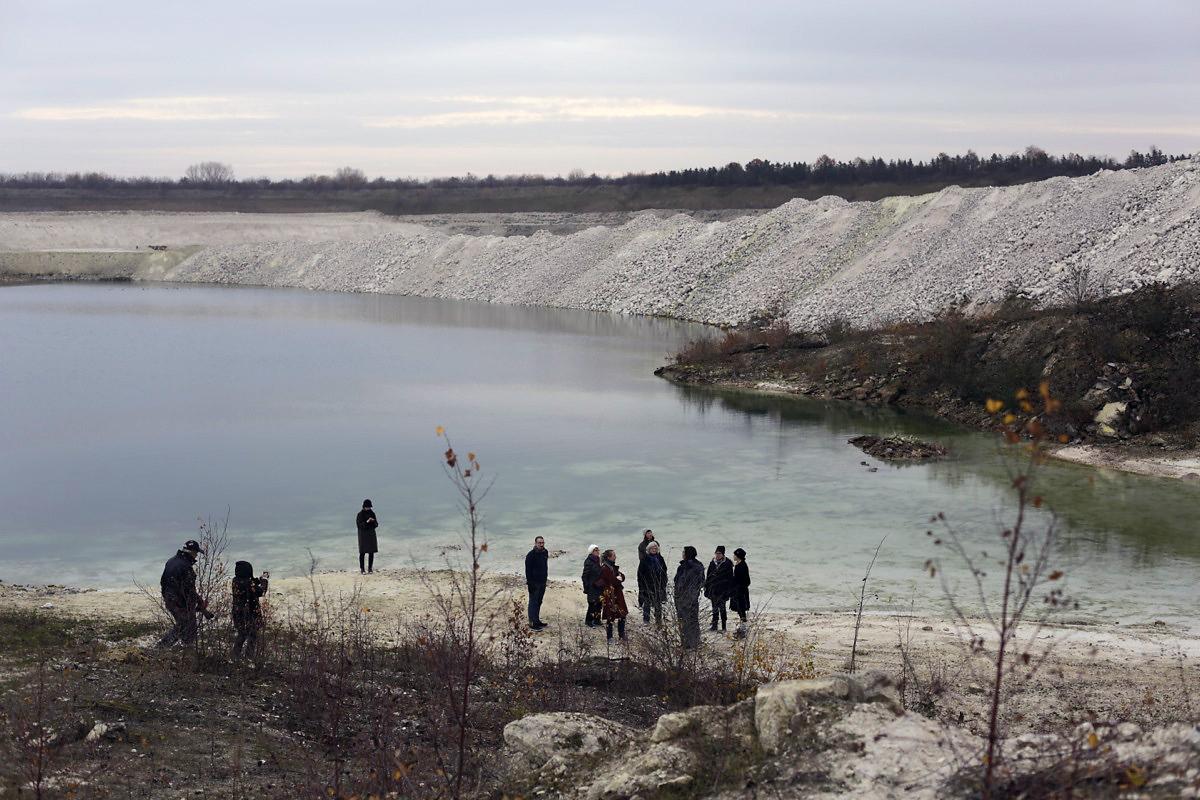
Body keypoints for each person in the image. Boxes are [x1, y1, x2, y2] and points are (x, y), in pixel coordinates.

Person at [156, 539, 213, 648]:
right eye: (196, 553)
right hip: (179, 600)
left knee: (183, 623)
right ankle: (168, 646)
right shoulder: (186, 567)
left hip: (169, 598)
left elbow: (163, 582)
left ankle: (178, 646)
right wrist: (199, 603)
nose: (196, 556)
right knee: (186, 624)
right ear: (191, 553)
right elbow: (189, 589)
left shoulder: (171, 561)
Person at [231, 560, 269, 660]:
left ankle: (235, 656)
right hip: (250, 614)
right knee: (252, 636)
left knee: (241, 634)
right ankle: (249, 657)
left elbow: (250, 584)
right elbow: (261, 591)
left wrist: (257, 579)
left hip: (238, 613)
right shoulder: (248, 584)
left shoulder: (235, 581)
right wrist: (264, 580)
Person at [673, 545, 705, 649]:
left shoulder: (684, 567)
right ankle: (696, 642)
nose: (682, 554)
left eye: (683, 552)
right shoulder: (699, 566)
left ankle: (686, 644)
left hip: (683, 598)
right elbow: (702, 582)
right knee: (693, 620)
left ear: (687, 554)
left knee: (684, 621)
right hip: (694, 597)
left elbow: (679, 583)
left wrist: (677, 595)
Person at [595, 549, 628, 642]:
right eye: (614, 555)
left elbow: (621, 576)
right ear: (609, 557)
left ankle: (621, 635)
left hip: (616, 593)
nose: (615, 557)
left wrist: (620, 577)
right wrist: (619, 578)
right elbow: (614, 580)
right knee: (611, 616)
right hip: (610, 594)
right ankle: (610, 637)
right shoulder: (605, 568)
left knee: (622, 614)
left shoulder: (611, 567)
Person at [636, 540, 668, 624]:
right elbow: (640, 572)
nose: (654, 550)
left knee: (658, 603)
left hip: (658, 584)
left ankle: (658, 620)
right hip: (647, 584)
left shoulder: (660, 558)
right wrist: (641, 584)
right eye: (652, 548)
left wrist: (664, 582)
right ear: (648, 549)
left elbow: (664, 570)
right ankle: (646, 619)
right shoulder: (644, 559)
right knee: (647, 602)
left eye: (655, 548)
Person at [705, 545, 734, 632]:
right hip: (713, 589)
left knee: (722, 608)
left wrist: (729, 591)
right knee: (714, 608)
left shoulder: (727, 563)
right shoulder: (712, 562)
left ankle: (724, 626)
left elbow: (730, 579)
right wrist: (707, 588)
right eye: (716, 553)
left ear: (723, 554)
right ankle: (714, 625)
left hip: (723, 590)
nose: (717, 555)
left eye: (719, 554)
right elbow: (708, 576)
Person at [525, 535, 549, 630]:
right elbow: (528, 570)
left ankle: (537, 620)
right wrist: (530, 583)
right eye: (539, 543)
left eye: (542, 543)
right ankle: (532, 623)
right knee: (533, 602)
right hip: (534, 582)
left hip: (542, 581)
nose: (541, 544)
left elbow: (545, 566)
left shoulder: (545, 553)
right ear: (535, 543)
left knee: (539, 602)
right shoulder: (531, 555)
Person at [581, 545, 603, 627]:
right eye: (595, 550)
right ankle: (589, 620)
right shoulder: (588, 562)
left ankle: (597, 619)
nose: (597, 551)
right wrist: (586, 587)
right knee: (592, 604)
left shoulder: (599, 560)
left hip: (600, 585)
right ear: (591, 552)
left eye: (598, 550)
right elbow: (584, 576)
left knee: (599, 603)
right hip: (592, 586)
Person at [729, 548, 751, 626]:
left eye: (735, 555)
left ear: (738, 556)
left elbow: (747, 581)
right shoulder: (738, 565)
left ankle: (743, 624)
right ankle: (742, 623)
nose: (733, 557)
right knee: (738, 609)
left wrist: (740, 588)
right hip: (736, 590)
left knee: (742, 609)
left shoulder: (743, 566)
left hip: (741, 592)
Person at [357, 499, 378, 574]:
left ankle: (370, 568)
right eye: (367, 507)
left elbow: (376, 524)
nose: (368, 509)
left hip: (371, 535)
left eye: (369, 507)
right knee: (362, 553)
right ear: (364, 507)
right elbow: (359, 525)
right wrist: (367, 522)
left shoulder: (372, 513)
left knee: (371, 552)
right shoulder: (360, 515)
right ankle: (362, 569)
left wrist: (372, 521)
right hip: (363, 535)